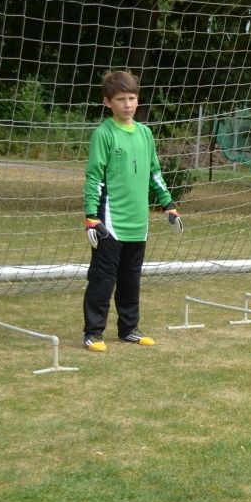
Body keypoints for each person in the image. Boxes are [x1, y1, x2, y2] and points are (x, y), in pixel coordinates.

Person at [81, 69, 182, 351]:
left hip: (139, 222)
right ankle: (93, 333)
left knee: (131, 278)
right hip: (110, 222)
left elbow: (154, 173)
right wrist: (91, 216)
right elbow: (94, 178)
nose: (128, 104)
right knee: (103, 278)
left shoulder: (145, 133)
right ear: (107, 102)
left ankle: (129, 329)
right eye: (121, 99)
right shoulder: (103, 134)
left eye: (132, 98)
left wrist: (168, 204)